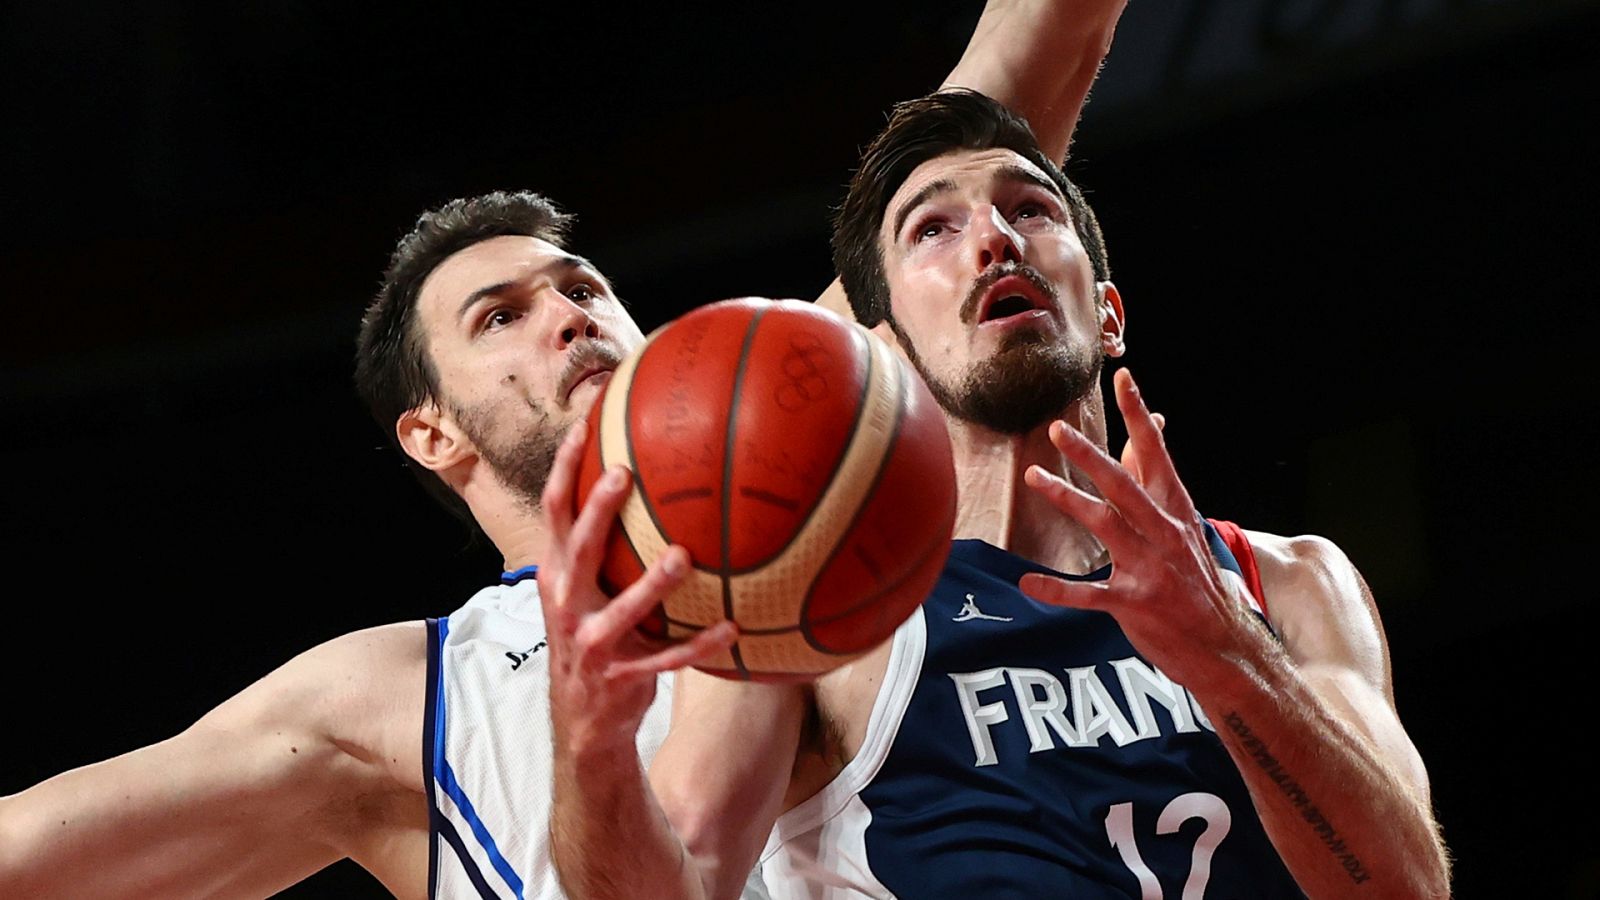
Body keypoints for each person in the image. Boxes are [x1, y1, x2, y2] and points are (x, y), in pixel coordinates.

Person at [0, 3, 1128, 897]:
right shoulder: (401, 693)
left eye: (583, 288)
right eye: (501, 317)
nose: (572, 317)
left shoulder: (800, 421)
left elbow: (1034, 56)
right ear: (430, 433)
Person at [541, 91, 1453, 898]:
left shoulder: (1287, 581)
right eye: (932, 229)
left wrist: (1228, 658)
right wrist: (591, 744)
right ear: (884, 351)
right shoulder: (811, 616)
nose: (994, 237)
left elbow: (1406, 885)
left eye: (1031, 208)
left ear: (1107, 312)